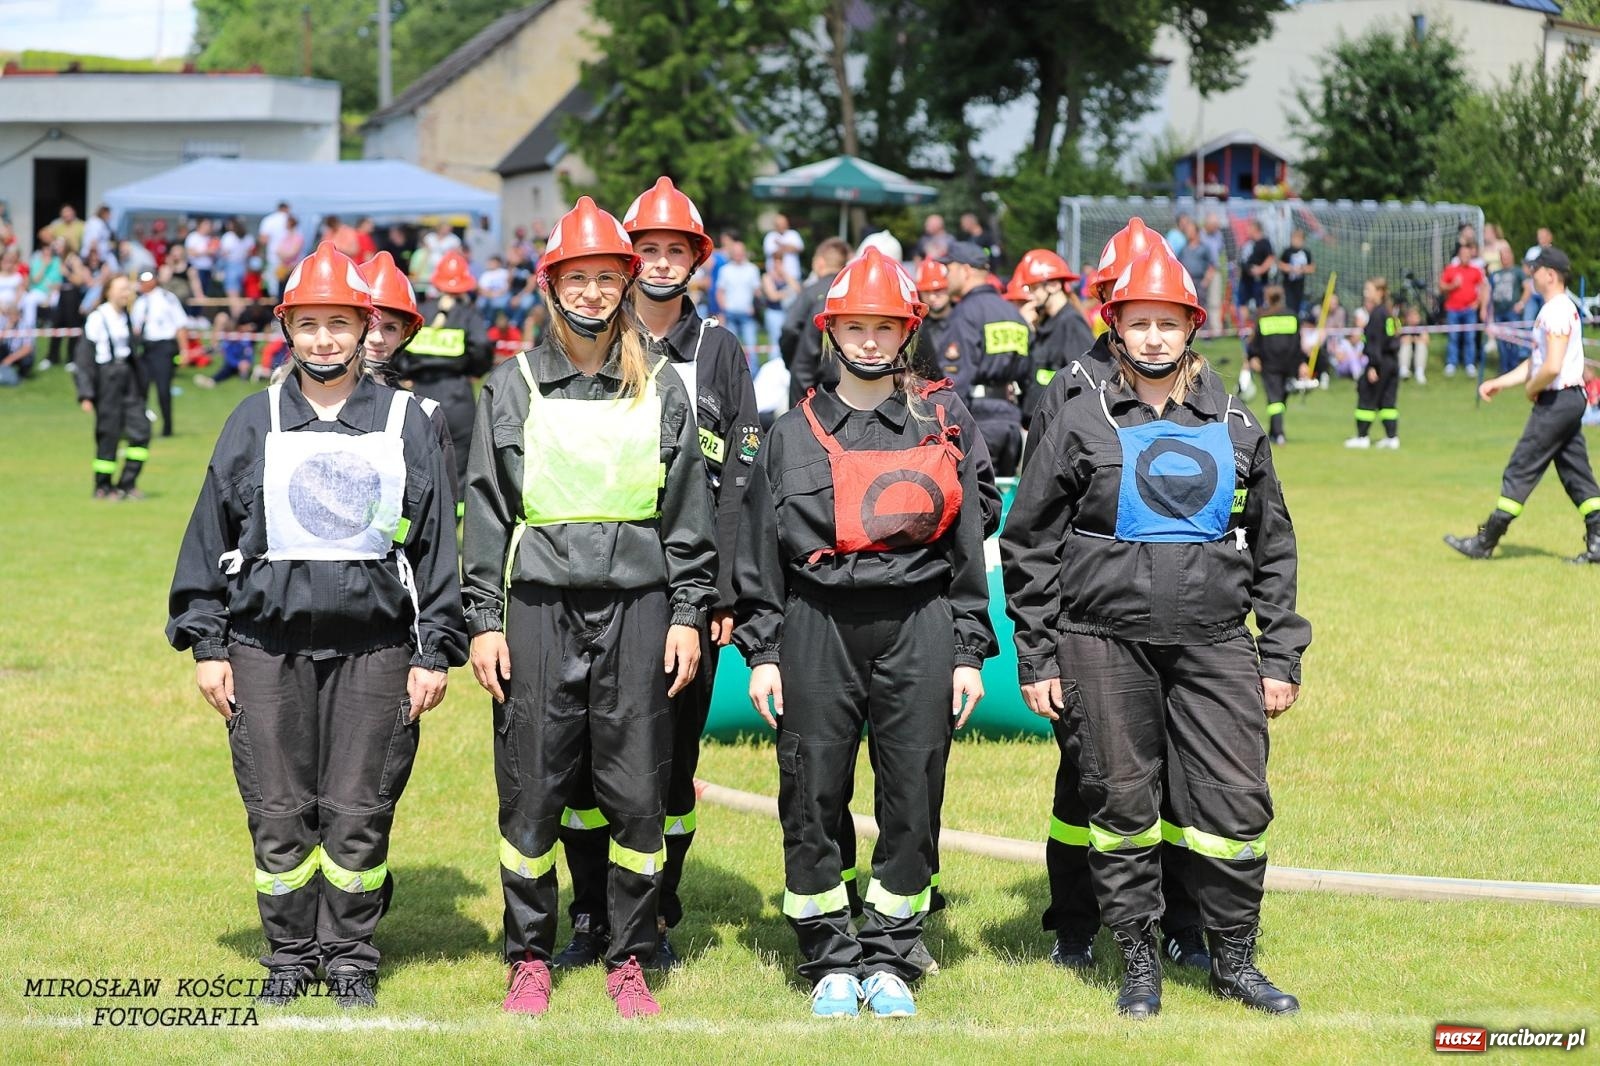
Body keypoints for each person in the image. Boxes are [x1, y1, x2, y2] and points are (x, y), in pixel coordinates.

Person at [1001, 243, 1309, 1019]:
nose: (1154, 338)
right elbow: (1028, 542)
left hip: (1214, 645)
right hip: (1102, 642)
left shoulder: (1237, 425)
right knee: (1120, 801)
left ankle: (1233, 958)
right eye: (1139, 323)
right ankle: (1138, 961)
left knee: (1236, 804)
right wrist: (1037, 654)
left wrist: (1280, 653)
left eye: (1168, 324)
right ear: (1116, 326)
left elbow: (1274, 546)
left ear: (1191, 330)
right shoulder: (1079, 419)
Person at [166, 240, 466, 1010]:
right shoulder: (254, 416)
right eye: (309, 325)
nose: (324, 339)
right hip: (264, 648)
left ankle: (351, 956)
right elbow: (211, 532)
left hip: (376, 649)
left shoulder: (406, 419)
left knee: (359, 813)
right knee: (278, 811)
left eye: (340, 323)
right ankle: (290, 955)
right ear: (287, 330)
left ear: (368, 329)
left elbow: (434, 543)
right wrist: (206, 644)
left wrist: (434, 650)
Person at [462, 197, 717, 1019]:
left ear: (626, 285)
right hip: (538, 607)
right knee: (532, 786)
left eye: (609, 277)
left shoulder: (666, 388)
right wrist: (483, 623)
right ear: (552, 285)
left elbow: (687, 514)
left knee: (639, 788)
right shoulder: (513, 386)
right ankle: (529, 956)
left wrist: (687, 612)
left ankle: (629, 953)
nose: (595, 292)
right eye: (580, 277)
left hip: (640, 608)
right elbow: (487, 511)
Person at [733, 247, 996, 1018]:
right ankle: (829, 958)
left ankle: (891, 950)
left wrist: (970, 650)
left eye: (886, 326)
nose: (871, 340)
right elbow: (760, 554)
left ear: (909, 331)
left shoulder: (940, 422)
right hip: (817, 624)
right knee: (812, 789)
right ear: (831, 330)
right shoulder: (792, 433)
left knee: (914, 786)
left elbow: (969, 542)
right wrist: (764, 651)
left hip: (922, 623)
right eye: (856, 325)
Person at [550, 176, 762, 972]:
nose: (663, 263)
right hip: (593, 583)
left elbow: (742, 476)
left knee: (669, 762)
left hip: (686, 589)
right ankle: (586, 915)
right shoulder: (596, 341)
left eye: (677, 250)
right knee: (577, 761)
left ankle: (656, 913)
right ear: (625, 260)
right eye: (648, 250)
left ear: (698, 260)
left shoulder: (721, 352)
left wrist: (720, 592)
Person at [1446, 246, 1600, 564]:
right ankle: (1598, 541)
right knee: (1576, 473)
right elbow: (1538, 361)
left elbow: (1552, 366)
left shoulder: (1555, 310)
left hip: (1557, 401)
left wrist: (1532, 388)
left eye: (1535, 270)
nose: (1530, 276)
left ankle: (1486, 541)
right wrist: (1500, 382)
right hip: (1568, 400)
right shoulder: (1559, 308)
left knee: (1521, 467)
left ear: (1550, 274)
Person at [358, 250, 461, 508]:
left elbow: (439, 510)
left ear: (405, 333)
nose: (377, 338)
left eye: (390, 328)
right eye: (369, 324)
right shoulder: (302, 402)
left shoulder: (424, 415)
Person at [395, 249, 491, 511]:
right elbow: (482, 347)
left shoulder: (422, 312)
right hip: (458, 395)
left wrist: (407, 373)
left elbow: (399, 349)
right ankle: (454, 520)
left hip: (420, 395)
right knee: (458, 465)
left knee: (414, 460)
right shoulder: (468, 315)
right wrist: (474, 369)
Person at [938, 240, 1031, 474]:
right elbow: (1026, 371)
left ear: (965, 270)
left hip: (978, 422)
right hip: (1010, 423)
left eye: (949, 269)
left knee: (978, 502)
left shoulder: (965, 314)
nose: (945, 276)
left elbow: (955, 382)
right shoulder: (1013, 314)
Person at [74, 275, 151, 499]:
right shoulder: (98, 317)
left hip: (128, 379)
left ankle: (127, 483)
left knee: (141, 431)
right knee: (109, 434)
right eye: (121, 289)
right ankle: (102, 486)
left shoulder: (126, 316)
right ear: (108, 291)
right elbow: (83, 358)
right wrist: (86, 393)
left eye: (128, 289)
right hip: (107, 379)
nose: (125, 293)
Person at [1015, 249, 1092, 432]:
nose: (1031, 295)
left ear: (1054, 285)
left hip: (1058, 428)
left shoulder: (1071, 323)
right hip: (1038, 424)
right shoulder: (1045, 324)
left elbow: (1085, 381)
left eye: (1034, 288)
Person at [781, 237, 852, 406]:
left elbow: (789, 327)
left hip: (809, 379)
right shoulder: (850, 294)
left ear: (819, 262)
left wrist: (792, 361)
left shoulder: (811, 292)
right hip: (846, 380)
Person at [1344, 278, 1402, 450]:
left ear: (1380, 292)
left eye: (1368, 290)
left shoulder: (1377, 314)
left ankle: (1362, 436)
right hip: (1392, 361)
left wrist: (1373, 366)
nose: (1365, 293)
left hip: (1381, 362)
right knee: (1387, 400)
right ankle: (1392, 438)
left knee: (1367, 396)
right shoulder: (1388, 312)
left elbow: (1375, 343)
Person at [133, 269, 192, 437]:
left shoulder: (167, 299)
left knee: (163, 389)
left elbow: (180, 326)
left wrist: (184, 351)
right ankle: (141, 426)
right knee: (141, 388)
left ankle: (167, 427)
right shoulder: (139, 302)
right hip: (145, 348)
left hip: (163, 347)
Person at [1248, 286, 1306, 446]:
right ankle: (1275, 433)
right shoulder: (1293, 317)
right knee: (1280, 400)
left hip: (1269, 365)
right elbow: (1297, 343)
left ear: (1268, 299)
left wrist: (1252, 357)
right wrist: (1301, 362)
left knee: (1275, 400)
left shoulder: (1263, 318)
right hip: (1289, 365)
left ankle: (1278, 434)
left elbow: (1255, 343)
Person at [1440, 241, 1485, 376]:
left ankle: (1469, 364)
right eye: (1462, 254)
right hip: (1453, 309)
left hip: (1469, 310)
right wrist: (1452, 285)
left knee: (1469, 337)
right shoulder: (1450, 269)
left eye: (1467, 254)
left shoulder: (1476, 270)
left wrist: (1478, 302)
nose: (1465, 256)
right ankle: (1451, 363)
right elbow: (1442, 286)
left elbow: (1483, 287)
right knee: (1453, 337)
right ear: (1459, 255)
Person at [715, 240, 762, 359]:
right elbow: (720, 291)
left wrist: (755, 306)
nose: (738, 255)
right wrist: (723, 309)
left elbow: (757, 292)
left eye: (740, 252)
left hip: (747, 315)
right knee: (730, 349)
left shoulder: (752, 269)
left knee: (751, 349)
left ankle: (752, 375)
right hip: (730, 314)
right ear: (732, 254)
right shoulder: (725, 270)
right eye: (735, 252)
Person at [910, 257, 953, 379]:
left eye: (938, 290)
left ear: (948, 288)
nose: (933, 297)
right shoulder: (916, 328)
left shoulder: (965, 320)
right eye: (927, 291)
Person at [1487, 245, 1528, 372]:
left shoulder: (1518, 272)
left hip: (1512, 311)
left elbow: (1528, 288)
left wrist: (1521, 303)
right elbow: (1488, 292)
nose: (1505, 259)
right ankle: (1504, 368)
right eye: (1502, 256)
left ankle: (1514, 367)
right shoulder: (1495, 274)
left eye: (1507, 256)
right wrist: (1488, 311)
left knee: (1514, 340)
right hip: (1499, 312)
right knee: (1501, 341)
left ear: (1511, 257)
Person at [761, 212, 804, 292]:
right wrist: (789, 247)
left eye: (783, 223)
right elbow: (775, 253)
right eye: (778, 224)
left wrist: (780, 245)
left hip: (793, 276)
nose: (781, 226)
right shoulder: (770, 236)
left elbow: (799, 249)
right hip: (775, 278)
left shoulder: (793, 234)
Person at [1278, 230, 1314, 317]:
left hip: (1300, 285)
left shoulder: (1306, 252)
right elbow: (1280, 264)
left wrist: (1302, 269)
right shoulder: (1287, 251)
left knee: (1298, 305)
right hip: (1288, 285)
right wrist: (1292, 268)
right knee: (1289, 305)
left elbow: (1312, 268)